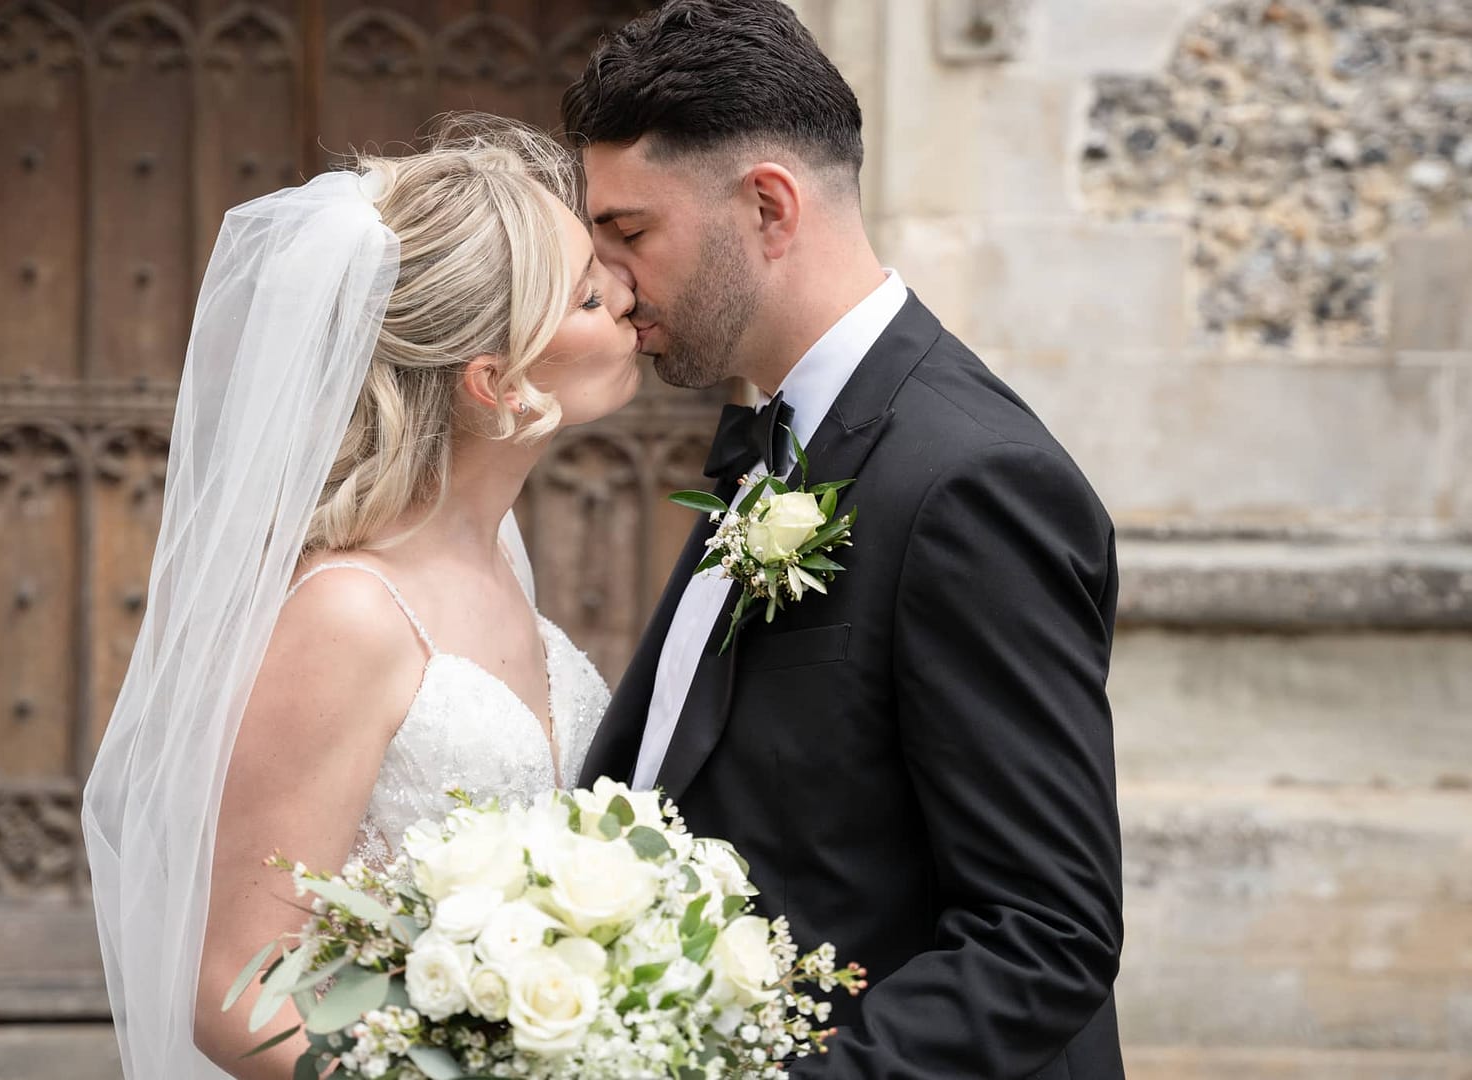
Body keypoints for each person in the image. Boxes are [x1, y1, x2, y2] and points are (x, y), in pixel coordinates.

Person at [564, 2, 1126, 1077]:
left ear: (768, 205)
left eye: (632, 233)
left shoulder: (972, 481)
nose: (618, 286)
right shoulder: (782, 443)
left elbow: (1045, 938)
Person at [81, 117, 638, 1080]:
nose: (632, 295)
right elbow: (234, 989)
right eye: (591, 295)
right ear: (495, 381)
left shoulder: (498, 562)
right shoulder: (345, 615)